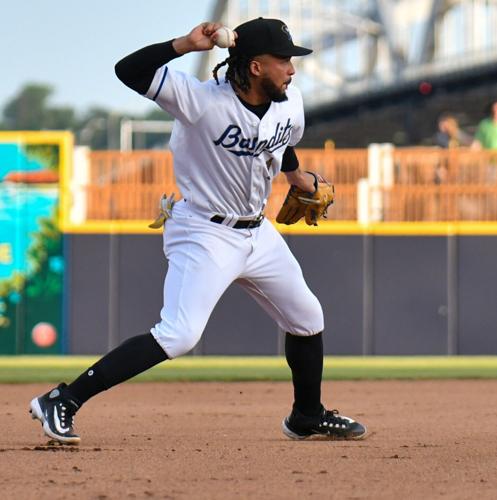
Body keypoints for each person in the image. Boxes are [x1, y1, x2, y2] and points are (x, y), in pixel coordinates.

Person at [29, 18, 366, 445]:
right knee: (179, 334)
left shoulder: (290, 101)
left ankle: (306, 414)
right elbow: (127, 71)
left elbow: (282, 141)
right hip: (204, 232)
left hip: (257, 233)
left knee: (308, 317)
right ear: (257, 66)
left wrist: (298, 180)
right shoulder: (200, 101)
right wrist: (184, 45)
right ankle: (62, 400)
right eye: (284, 60)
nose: (292, 68)